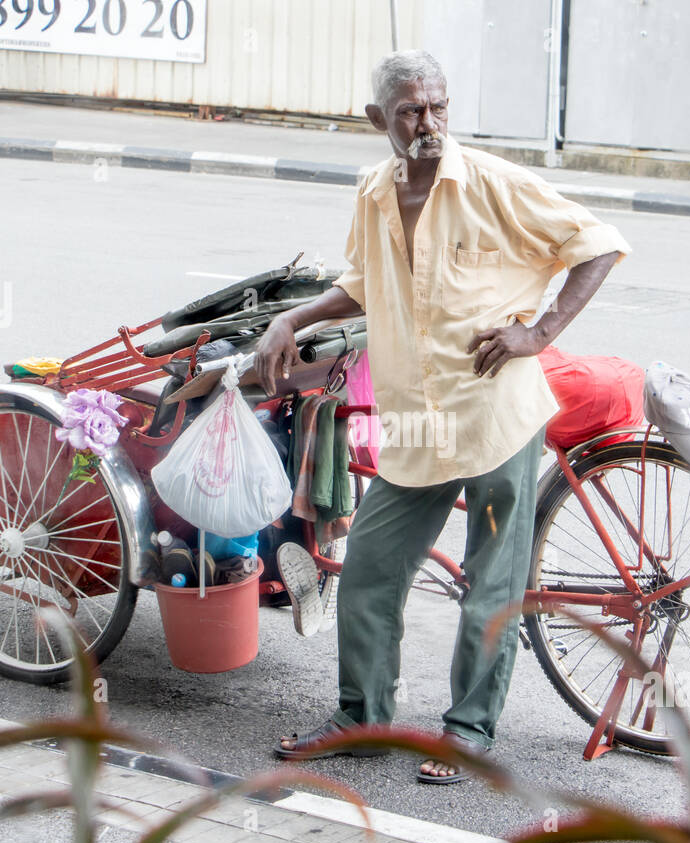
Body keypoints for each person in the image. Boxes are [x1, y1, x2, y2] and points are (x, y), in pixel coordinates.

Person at [255, 50, 631, 784]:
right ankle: (361, 719)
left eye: (436, 108)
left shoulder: (490, 182)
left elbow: (598, 244)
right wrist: (289, 322)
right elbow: (364, 282)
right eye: (409, 112)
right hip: (421, 420)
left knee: (490, 581)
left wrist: (537, 334)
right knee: (369, 565)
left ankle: (468, 733)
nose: (427, 124)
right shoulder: (373, 192)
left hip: (493, 414)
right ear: (378, 120)